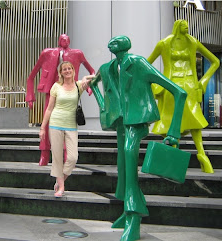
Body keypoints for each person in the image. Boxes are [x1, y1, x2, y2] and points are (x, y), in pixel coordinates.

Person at [90, 35, 186, 241]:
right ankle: (127, 212)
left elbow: (179, 92)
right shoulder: (108, 67)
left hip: (137, 121)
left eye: (117, 41)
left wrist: (173, 132)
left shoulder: (139, 63)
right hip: (121, 123)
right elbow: (93, 84)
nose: (112, 43)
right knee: (123, 165)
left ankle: (134, 215)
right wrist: (104, 106)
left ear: (125, 46)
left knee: (128, 156)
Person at [148, 19, 220, 174]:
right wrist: (156, 85)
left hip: (179, 87)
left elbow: (147, 66)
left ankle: (175, 160)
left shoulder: (181, 42)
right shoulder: (169, 43)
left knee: (175, 122)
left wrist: (204, 82)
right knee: (189, 121)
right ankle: (200, 153)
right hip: (177, 87)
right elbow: (215, 62)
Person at [27, 34, 95, 166]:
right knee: (47, 122)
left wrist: (88, 86)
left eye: (67, 38)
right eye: (62, 38)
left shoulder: (77, 54)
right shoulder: (47, 53)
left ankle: (66, 154)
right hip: (52, 90)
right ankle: (45, 154)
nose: (65, 40)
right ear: (58, 40)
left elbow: (92, 71)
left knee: (68, 121)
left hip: (69, 90)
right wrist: (30, 95)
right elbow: (31, 75)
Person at [39, 61, 93, 197]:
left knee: (73, 157)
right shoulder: (56, 87)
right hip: (55, 123)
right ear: (61, 72)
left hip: (71, 126)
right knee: (57, 157)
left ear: (73, 70)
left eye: (69, 68)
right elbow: (49, 108)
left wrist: (89, 77)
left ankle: (60, 179)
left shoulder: (78, 85)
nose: (67, 71)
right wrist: (42, 128)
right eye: (64, 69)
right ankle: (61, 187)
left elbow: (95, 77)